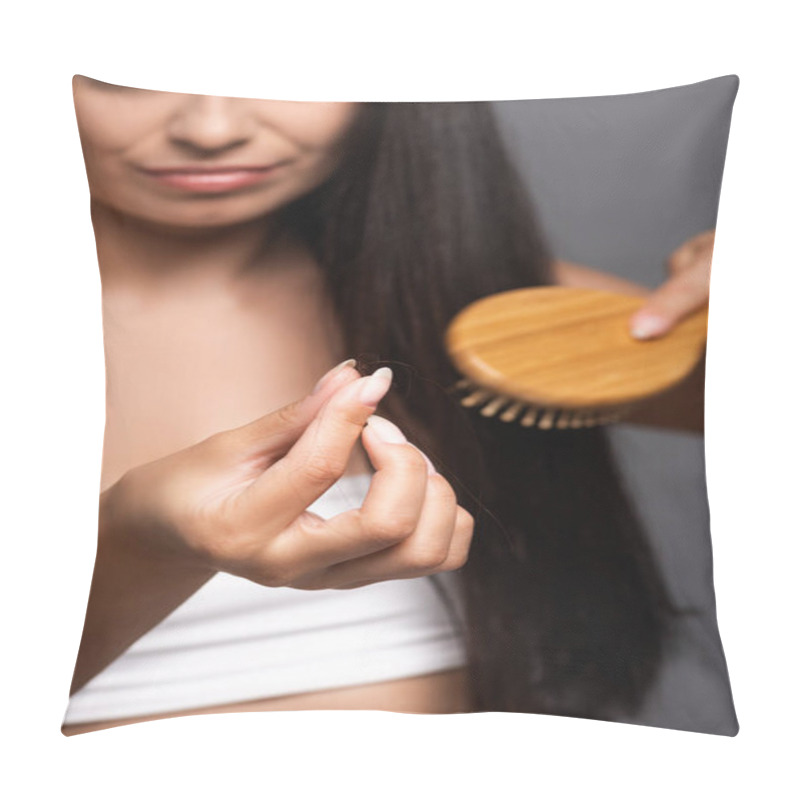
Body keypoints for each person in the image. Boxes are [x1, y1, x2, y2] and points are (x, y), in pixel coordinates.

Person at [62, 76, 715, 735]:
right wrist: (143, 543)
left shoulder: (473, 306)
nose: (211, 130)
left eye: (280, 67)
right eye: (128, 76)